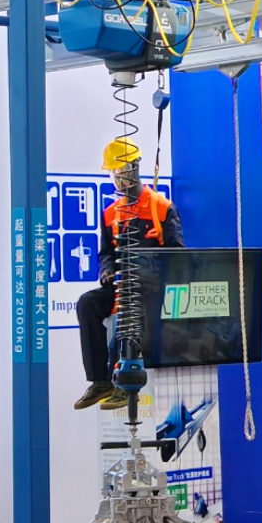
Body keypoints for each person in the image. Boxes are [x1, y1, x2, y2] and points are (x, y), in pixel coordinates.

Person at [74, 139, 183, 410]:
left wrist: (153, 272)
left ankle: (123, 382)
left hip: (151, 288)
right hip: (121, 286)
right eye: (113, 172)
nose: (117, 178)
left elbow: (178, 256)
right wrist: (107, 271)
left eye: (121, 171)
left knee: (129, 313)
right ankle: (101, 381)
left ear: (134, 167)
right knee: (87, 303)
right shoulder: (111, 214)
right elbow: (106, 254)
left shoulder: (162, 208)